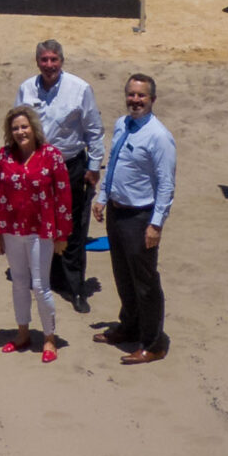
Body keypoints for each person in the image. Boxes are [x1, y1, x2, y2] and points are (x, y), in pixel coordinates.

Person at [16, 40, 103, 309]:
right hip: (38, 166)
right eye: (44, 60)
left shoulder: (80, 89)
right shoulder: (26, 88)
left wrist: (94, 166)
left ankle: (76, 288)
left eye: (54, 60)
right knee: (41, 224)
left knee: (73, 227)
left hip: (71, 166)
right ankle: (46, 279)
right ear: (37, 62)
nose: (49, 65)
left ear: (61, 61)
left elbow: (94, 129)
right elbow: (18, 126)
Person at [95, 74, 175, 365]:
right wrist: (103, 197)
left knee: (145, 282)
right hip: (117, 212)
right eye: (131, 94)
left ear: (152, 99)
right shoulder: (121, 125)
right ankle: (129, 326)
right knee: (123, 275)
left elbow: (166, 185)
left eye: (141, 96)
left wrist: (156, 224)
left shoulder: (158, 136)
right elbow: (113, 163)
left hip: (140, 216)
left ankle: (153, 343)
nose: (135, 100)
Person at [0, 104, 71, 359]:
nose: (20, 132)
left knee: (40, 285)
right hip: (12, 229)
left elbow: (63, 195)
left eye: (24, 127)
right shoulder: (4, 156)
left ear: (33, 128)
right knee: (19, 283)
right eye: (15, 128)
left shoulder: (51, 156)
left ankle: (49, 337)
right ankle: (22, 332)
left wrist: (62, 234)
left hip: (41, 229)